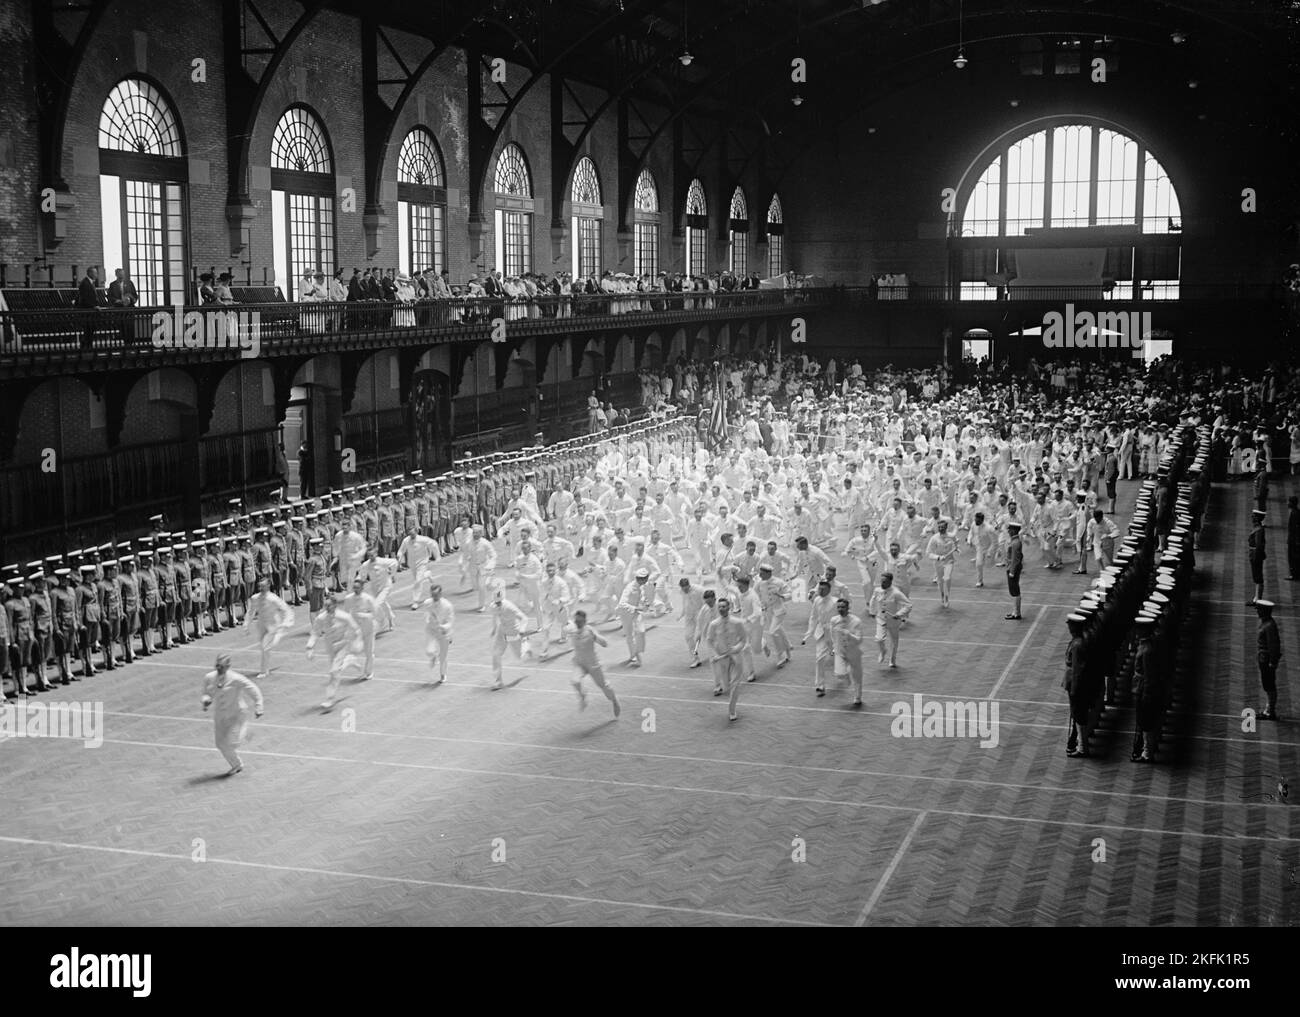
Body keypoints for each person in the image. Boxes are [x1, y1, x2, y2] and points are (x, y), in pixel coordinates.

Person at [201, 654, 264, 776]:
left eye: (222, 666)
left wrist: (259, 706)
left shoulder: (236, 678)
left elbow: (253, 689)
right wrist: (206, 701)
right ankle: (236, 764)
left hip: (236, 715)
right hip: (220, 715)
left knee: (232, 743)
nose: (219, 668)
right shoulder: (209, 677)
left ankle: (246, 731)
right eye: (217, 665)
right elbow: (206, 693)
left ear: (228, 666)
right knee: (220, 744)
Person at [306, 595, 363, 710]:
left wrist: (357, 642)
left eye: (329, 605)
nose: (327, 607)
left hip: (343, 645)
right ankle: (349, 660)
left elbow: (356, 629)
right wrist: (310, 646)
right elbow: (315, 633)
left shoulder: (344, 616)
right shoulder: (321, 618)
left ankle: (330, 698)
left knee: (334, 671)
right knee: (336, 670)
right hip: (331, 647)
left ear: (335, 605)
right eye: (325, 605)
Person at [567, 610, 621, 717]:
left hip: (593, 664)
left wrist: (596, 637)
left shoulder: (590, 631)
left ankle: (614, 701)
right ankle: (583, 697)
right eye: (576, 620)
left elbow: (605, 643)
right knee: (575, 681)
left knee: (604, 686)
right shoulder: (572, 630)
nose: (577, 622)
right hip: (580, 663)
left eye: (580, 621)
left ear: (584, 621)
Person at [703, 597, 748, 722]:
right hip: (722, 658)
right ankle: (729, 696)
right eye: (720, 607)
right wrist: (714, 655)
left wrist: (735, 648)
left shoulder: (737, 622)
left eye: (724, 606)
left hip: (736, 657)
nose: (722, 609)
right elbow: (709, 640)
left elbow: (743, 640)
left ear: (729, 607)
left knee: (735, 684)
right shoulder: (714, 624)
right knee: (727, 686)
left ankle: (732, 710)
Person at [244, 577, 294, 679]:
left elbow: (286, 609)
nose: (261, 588)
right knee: (265, 646)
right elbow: (250, 612)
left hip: (273, 624)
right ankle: (279, 635)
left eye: (263, 586)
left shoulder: (273, 598)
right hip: (261, 624)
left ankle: (263, 671)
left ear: (268, 586)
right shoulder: (255, 598)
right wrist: (246, 624)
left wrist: (286, 622)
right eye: (260, 586)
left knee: (265, 646)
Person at [867, 571, 913, 669]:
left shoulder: (896, 593)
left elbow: (908, 605)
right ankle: (882, 651)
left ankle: (892, 659)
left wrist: (899, 614)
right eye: (881, 581)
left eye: (885, 582)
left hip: (893, 621)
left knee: (894, 640)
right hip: (880, 619)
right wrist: (872, 611)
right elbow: (873, 600)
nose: (882, 584)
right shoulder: (877, 590)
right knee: (879, 639)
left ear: (890, 582)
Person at [831, 597, 865, 707]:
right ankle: (846, 678)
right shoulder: (834, 620)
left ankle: (857, 696)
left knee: (857, 676)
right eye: (838, 607)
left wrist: (848, 634)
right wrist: (834, 647)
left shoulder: (856, 621)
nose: (840, 609)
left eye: (843, 607)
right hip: (840, 651)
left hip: (853, 652)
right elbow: (832, 635)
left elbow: (859, 640)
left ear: (848, 607)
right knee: (840, 673)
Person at [423, 584, 454, 685]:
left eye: (436, 594)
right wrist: (429, 620)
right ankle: (433, 656)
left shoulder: (448, 606)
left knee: (443, 657)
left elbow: (450, 621)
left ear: (440, 593)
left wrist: (445, 628)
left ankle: (443, 674)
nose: (434, 597)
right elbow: (427, 615)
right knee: (429, 651)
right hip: (431, 630)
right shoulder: (427, 603)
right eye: (432, 594)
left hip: (444, 633)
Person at [1255, 600, 1281, 720]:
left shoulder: (1269, 625)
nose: (1257, 612)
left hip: (1267, 659)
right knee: (1267, 684)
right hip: (1263, 658)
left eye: (1259, 610)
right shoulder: (1266, 623)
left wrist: (1273, 662)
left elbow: (1274, 645)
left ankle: (1270, 711)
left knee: (1269, 684)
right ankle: (1269, 709)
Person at [1004, 522, 1024, 620]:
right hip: (1013, 568)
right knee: (1014, 590)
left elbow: (1015, 559)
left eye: (1009, 529)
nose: (1008, 531)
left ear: (1013, 530)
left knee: (1014, 591)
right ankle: (1015, 612)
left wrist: (1012, 571)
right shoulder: (1015, 541)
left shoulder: (1015, 542)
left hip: (1013, 569)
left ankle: (1016, 613)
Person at [1247, 509, 1266, 605]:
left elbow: (1258, 545)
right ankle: (1256, 598)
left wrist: (1256, 557)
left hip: (1255, 555)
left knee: (1258, 577)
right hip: (1254, 554)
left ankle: (1258, 599)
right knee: (1256, 576)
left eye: (1254, 516)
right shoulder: (1257, 528)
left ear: (1257, 518)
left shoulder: (1258, 530)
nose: (1252, 518)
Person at [1287, 495, 1300, 581]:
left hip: (1294, 540)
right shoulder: (1297, 512)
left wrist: (1296, 540)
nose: (1287, 503)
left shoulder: (1294, 513)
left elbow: (1296, 528)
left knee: (1293, 557)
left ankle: (1294, 574)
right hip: (1294, 539)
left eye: (1289, 502)